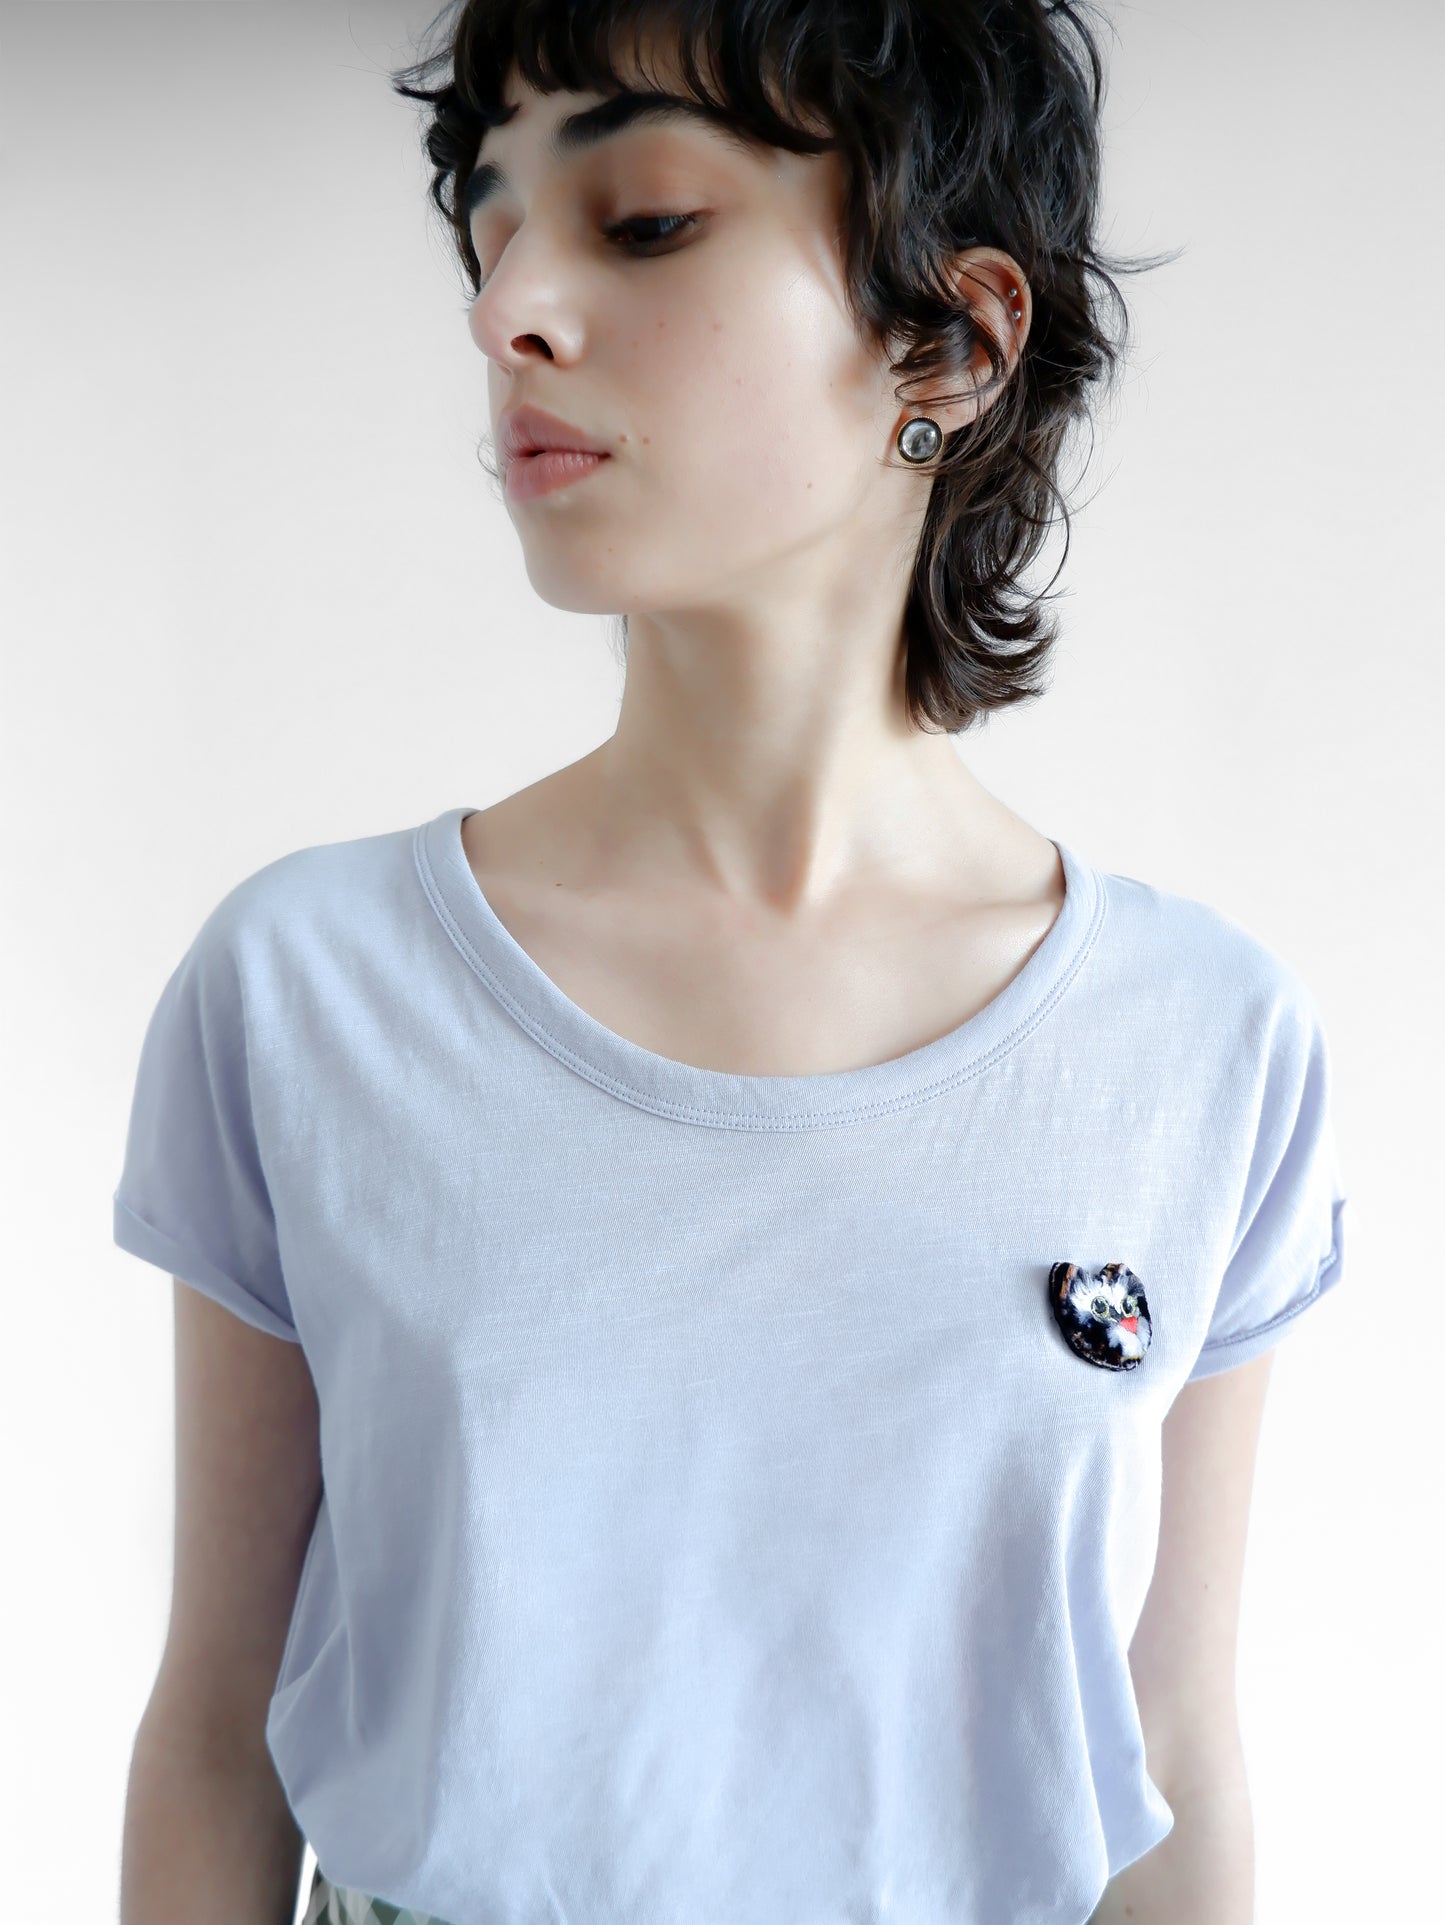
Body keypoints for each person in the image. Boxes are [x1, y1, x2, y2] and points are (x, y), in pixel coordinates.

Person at [114, 4, 1347, 1923]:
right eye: (489, 232)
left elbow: (1171, 1748)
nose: (506, 311)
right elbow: (217, 1724)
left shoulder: (1204, 1041)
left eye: (644, 221)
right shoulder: (308, 989)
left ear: (951, 339)